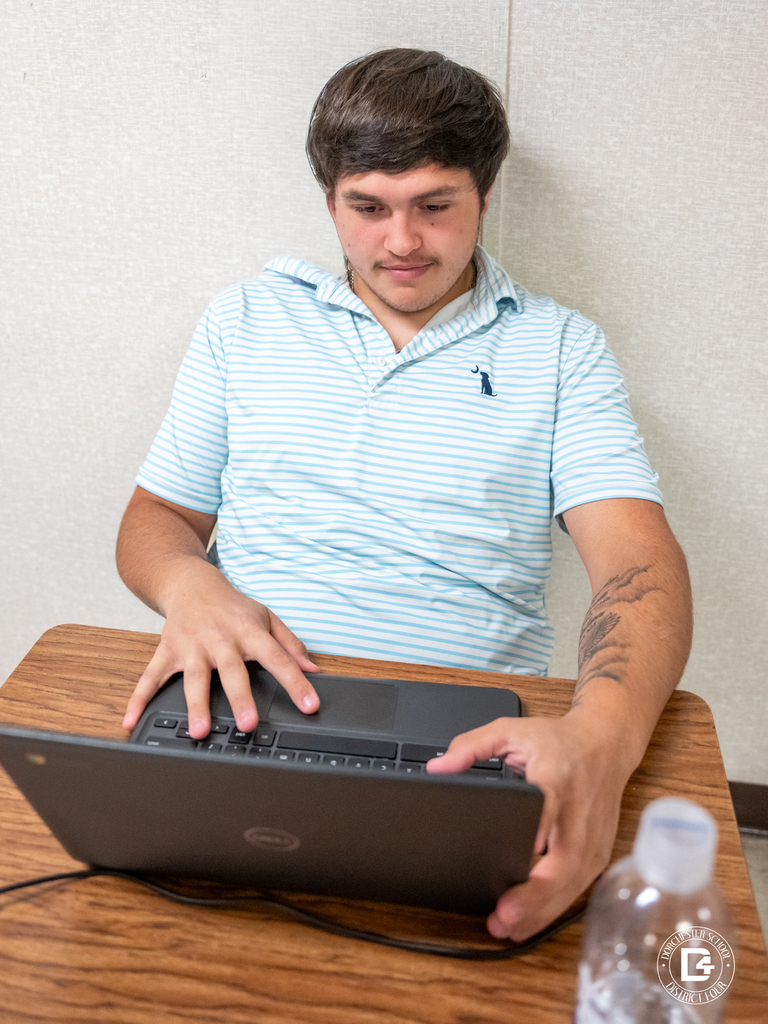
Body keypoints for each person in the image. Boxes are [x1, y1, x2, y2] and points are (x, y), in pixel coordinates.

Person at [116, 48, 692, 943]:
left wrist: (602, 743)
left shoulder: (560, 348)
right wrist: (193, 590)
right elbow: (159, 520)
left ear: (485, 196)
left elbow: (639, 565)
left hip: (459, 735)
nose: (402, 243)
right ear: (330, 200)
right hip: (244, 702)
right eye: (368, 208)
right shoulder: (245, 319)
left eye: (436, 205)